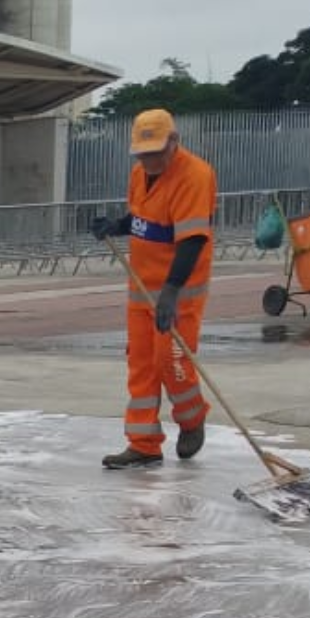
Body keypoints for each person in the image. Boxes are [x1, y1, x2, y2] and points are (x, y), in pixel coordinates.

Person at [87, 108, 217, 470]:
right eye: (143, 154)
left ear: (174, 142)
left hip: (178, 293)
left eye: (156, 152)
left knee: (171, 363)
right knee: (141, 365)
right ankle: (143, 444)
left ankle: (192, 420)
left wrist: (172, 292)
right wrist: (114, 226)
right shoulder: (140, 173)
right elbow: (142, 219)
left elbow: (192, 239)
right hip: (141, 289)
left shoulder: (195, 175)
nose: (149, 160)